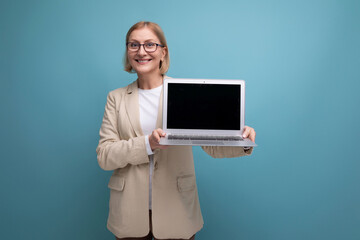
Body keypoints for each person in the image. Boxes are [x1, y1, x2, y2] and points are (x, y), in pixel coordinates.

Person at [96, 21, 256, 240]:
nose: (141, 51)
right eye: (134, 45)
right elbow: (104, 156)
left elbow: (210, 146)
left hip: (176, 209)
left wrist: (242, 141)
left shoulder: (184, 92)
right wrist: (147, 144)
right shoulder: (116, 98)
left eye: (150, 44)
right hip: (129, 213)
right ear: (128, 51)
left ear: (163, 52)